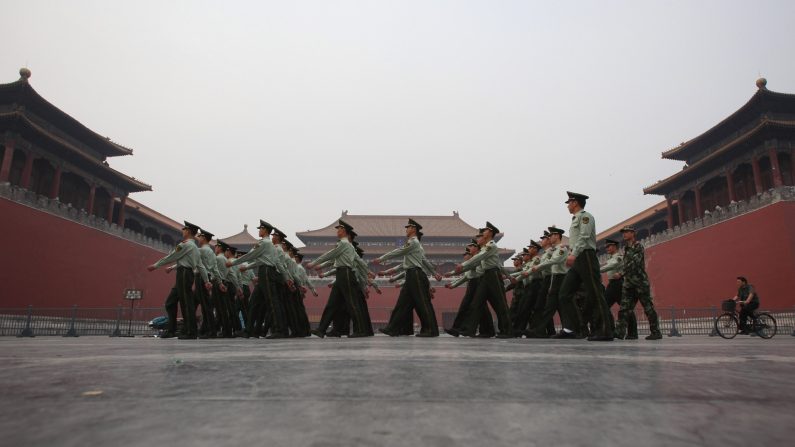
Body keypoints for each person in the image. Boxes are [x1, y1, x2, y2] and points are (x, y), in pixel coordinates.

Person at [374, 219, 440, 337]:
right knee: (402, 304)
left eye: (408, 227)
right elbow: (418, 261)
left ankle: (431, 330)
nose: (406, 229)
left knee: (422, 303)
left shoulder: (413, 242)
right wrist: (434, 273)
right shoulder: (415, 245)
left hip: (415, 275)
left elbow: (399, 251)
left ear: (414, 229)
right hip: (411, 275)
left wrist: (382, 258)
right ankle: (392, 328)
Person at [147, 221, 208, 339]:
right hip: (183, 273)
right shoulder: (194, 247)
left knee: (186, 303)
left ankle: (190, 332)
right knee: (170, 302)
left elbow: (172, 256)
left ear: (189, 231)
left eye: (184, 229)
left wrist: (156, 265)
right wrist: (207, 281)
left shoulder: (186, 245)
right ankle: (172, 329)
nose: (182, 231)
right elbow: (200, 265)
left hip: (184, 273)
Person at [452, 222, 513, 338]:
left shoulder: (491, 246)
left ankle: (507, 330)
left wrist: (464, 265)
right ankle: (470, 330)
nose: (482, 232)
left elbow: (479, 257)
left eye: (484, 230)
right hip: (486, 276)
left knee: (500, 305)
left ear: (490, 232)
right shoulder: (486, 247)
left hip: (493, 275)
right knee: (476, 303)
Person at [614, 225, 662, 340]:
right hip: (629, 284)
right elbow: (626, 264)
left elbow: (634, 263)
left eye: (626, 232)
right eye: (623, 232)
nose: (624, 234)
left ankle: (656, 332)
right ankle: (619, 333)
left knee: (648, 308)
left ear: (633, 233)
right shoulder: (626, 249)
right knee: (624, 309)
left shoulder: (638, 246)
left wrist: (621, 273)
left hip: (640, 283)